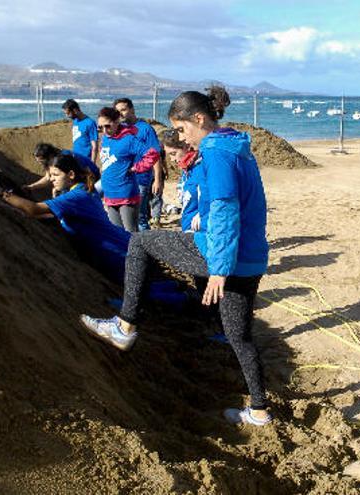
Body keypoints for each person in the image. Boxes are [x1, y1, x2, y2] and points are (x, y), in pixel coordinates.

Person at [80, 86, 273, 426]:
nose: (184, 139)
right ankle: (259, 411)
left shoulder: (215, 152)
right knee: (239, 336)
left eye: (183, 130)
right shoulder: (240, 147)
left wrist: (218, 269)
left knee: (140, 244)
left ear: (199, 119)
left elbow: (227, 209)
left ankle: (125, 326)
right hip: (252, 257)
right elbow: (255, 206)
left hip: (222, 254)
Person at [0, 155, 184, 304]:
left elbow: (34, 209)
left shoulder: (74, 197)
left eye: (55, 175)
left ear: (70, 175)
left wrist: (2, 193)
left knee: (138, 295)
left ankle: (187, 300)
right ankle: (175, 287)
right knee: (140, 286)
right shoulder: (81, 192)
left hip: (117, 253)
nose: (51, 179)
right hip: (121, 246)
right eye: (50, 175)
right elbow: (46, 215)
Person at [97, 106, 160, 232]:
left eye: (107, 126)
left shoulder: (129, 139)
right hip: (109, 193)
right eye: (100, 127)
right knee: (117, 234)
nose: (104, 130)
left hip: (126, 194)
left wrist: (137, 168)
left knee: (131, 235)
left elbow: (153, 154)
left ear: (116, 122)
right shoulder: (105, 139)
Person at [114, 98, 165, 230]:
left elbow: (155, 156)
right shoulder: (120, 130)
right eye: (117, 111)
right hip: (124, 180)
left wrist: (158, 180)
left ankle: (146, 247)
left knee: (140, 217)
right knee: (125, 216)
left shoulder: (145, 129)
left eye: (123, 110)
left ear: (132, 109)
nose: (121, 114)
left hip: (141, 179)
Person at [23, 143, 101, 197]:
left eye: (41, 161)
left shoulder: (63, 158)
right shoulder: (51, 160)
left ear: (49, 156)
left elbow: (84, 173)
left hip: (91, 176)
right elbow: (48, 178)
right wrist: (31, 187)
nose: (40, 164)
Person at [160, 129, 200, 232]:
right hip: (187, 227)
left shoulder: (201, 167)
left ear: (186, 146)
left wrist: (202, 213)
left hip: (200, 231)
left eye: (173, 153)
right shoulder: (186, 170)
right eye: (169, 154)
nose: (172, 159)